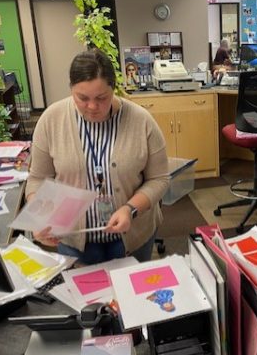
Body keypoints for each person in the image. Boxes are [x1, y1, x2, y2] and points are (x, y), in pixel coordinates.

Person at [25, 49, 170, 264]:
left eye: (102, 98)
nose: (92, 107)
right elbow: (37, 179)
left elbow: (159, 179)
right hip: (75, 237)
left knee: (131, 295)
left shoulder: (141, 121)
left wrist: (130, 209)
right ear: (71, 89)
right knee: (86, 296)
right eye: (82, 98)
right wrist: (41, 218)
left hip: (133, 235)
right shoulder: (51, 120)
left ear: (114, 89)